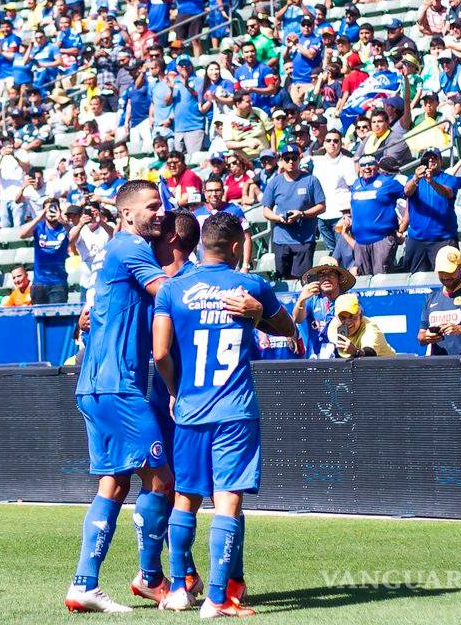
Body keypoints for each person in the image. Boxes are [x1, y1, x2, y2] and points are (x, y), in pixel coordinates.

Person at [151, 211, 295, 616]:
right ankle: (217, 597)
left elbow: (160, 352)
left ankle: (179, 589)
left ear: (201, 246)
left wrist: (176, 392)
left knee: (185, 499)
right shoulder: (251, 286)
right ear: (236, 247)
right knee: (227, 501)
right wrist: (257, 312)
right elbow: (287, 329)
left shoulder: (173, 290)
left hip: (191, 410)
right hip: (234, 411)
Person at [66, 180, 173, 614]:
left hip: (94, 385)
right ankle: (150, 578)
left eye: (161, 206)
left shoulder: (117, 253)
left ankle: (84, 584)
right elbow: (166, 291)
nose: (160, 212)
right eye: (152, 207)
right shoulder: (129, 246)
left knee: (114, 482)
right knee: (161, 480)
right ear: (127, 214)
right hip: (118, 386)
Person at [261, 142, 326, 279]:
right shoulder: (275, 182)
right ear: (281, 161)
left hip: (304, 239)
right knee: (282, 279)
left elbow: (321, 206)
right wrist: (279, 218)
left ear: (299, 159)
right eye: (287, 158)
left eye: (294, 158)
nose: (291, 162)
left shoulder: (311, 180)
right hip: (281, 239)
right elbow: (266, 210)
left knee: (302, 280)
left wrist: (302, 214)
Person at [403, 149, 461, 272]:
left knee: (449, 276)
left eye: (434, 157)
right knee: (417, 280)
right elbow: (407, 191)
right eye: (427, 158)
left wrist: (431, 181)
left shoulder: (449, 178)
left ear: (440, 161)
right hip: (417, 239)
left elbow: (447, 192)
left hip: (444, 239)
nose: (431, 160)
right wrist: (416, 178)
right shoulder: (412, 178)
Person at [348, 154, 405, 276]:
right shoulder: (355, 184)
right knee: (362, 280)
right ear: (359, 168)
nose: (367, 168)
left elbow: (410, 196)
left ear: (377, 166)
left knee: (382, 279)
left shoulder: (388, 182)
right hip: (360, 241)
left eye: (370, 164)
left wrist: (403, 225)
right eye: (363, 165)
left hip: (382, 240)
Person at [292, 257, 355, 360]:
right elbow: (297, 319)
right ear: (317, 279)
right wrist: (301, 300)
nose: (326, 278)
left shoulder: (348, 300)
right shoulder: (311, 300)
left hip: (341, 361)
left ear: (339, 278)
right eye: (322, 275)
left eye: (331, 274)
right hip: (314, 360)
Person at [20, 197, 70, 304]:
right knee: (39, 319)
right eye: (48, 209)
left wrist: (64, 222)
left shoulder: (64, 228)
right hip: (39, 283)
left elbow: (75, 237)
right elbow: (22, 235)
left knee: (57, 319)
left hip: (58, 283)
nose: (51, 212)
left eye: (54, 209)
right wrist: (39, 218)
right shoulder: (39, 227)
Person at [328, 294, 395, 358]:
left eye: (352, 317)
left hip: (388, 367)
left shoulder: (370, 327)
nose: (348, 322)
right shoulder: (334, 326)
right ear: (336, 318)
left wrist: (355, 351)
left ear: (360, 316)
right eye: (342, 318)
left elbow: (369, 354)